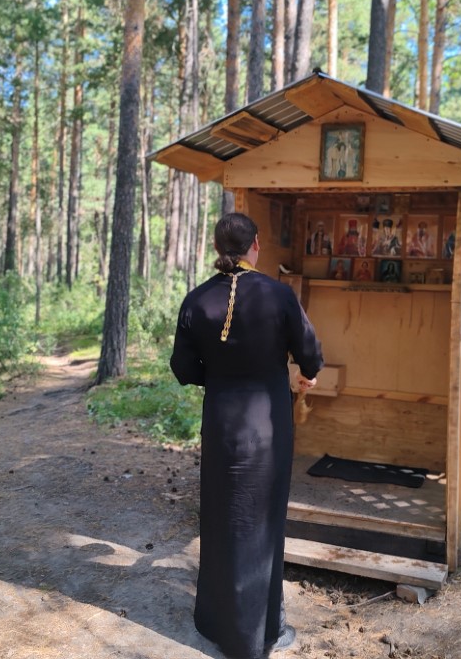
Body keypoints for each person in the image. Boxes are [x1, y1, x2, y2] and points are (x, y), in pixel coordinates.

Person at [170, 213, 323, 659]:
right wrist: (305, 373)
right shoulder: (279, 295)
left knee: (222, 518)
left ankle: (216, 623)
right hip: (269, 425)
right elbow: (311, 354)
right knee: (264, 522)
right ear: (255, 244)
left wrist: (220, 377)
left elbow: (183, 368)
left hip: (222, 423)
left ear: (217, 247)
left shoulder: (196, 300)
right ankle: (265, 630)